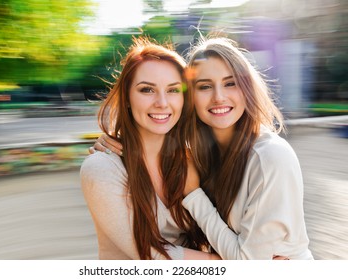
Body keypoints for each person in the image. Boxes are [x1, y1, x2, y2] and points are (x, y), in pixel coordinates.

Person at [92, 36, 313, 260]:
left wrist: (194, 195)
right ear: (191, 98)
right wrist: (114, 147)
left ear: (247, 89)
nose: (219, 97)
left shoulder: (270, 157)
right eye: (205, 86)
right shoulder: (197, 155)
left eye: (230, 83)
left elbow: (249, 264)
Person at [80, 37, 219, 260]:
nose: (162, 102)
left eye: (173, 90)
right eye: (147, 90)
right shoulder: (102, 168)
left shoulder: (191, 161)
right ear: (126, 97)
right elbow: (150, 255)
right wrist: (237, 261)